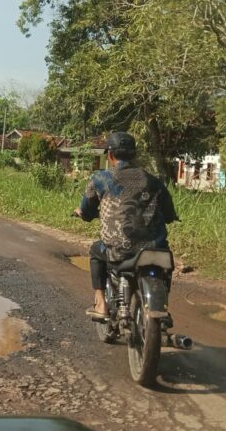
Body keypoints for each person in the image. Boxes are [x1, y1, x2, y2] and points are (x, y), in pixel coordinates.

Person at [74, 132, 179, 320]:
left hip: (118, 250)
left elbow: (87, 212)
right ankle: (162, 303)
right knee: (166, 267)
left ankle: (100, 303)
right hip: (155, 249)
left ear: (110, 155)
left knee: (95, 251)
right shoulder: (154, 181)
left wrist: (82, 213)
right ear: (135, 155)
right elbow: (170, 214)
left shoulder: (101, 179)